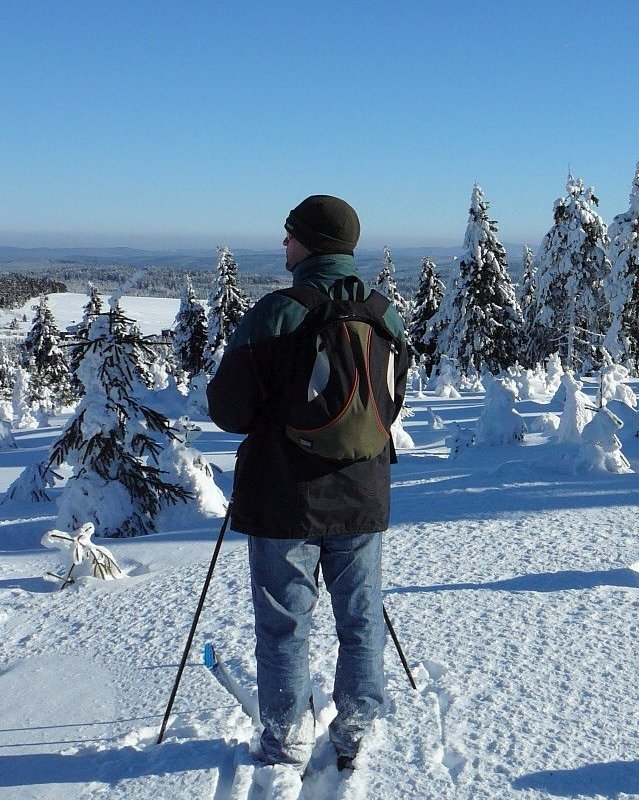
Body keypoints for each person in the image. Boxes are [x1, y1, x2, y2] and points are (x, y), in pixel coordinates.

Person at [207, 195, 407, 783]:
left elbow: (228, 409)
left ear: (312, 244)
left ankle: (286, 736)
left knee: (285, 621)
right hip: (363, 489)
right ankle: (357, 725)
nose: (283, 245)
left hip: (283, 498)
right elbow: (390, 403)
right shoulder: (383, 314)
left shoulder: (278, 313)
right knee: (361, 612)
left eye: (290, 236)